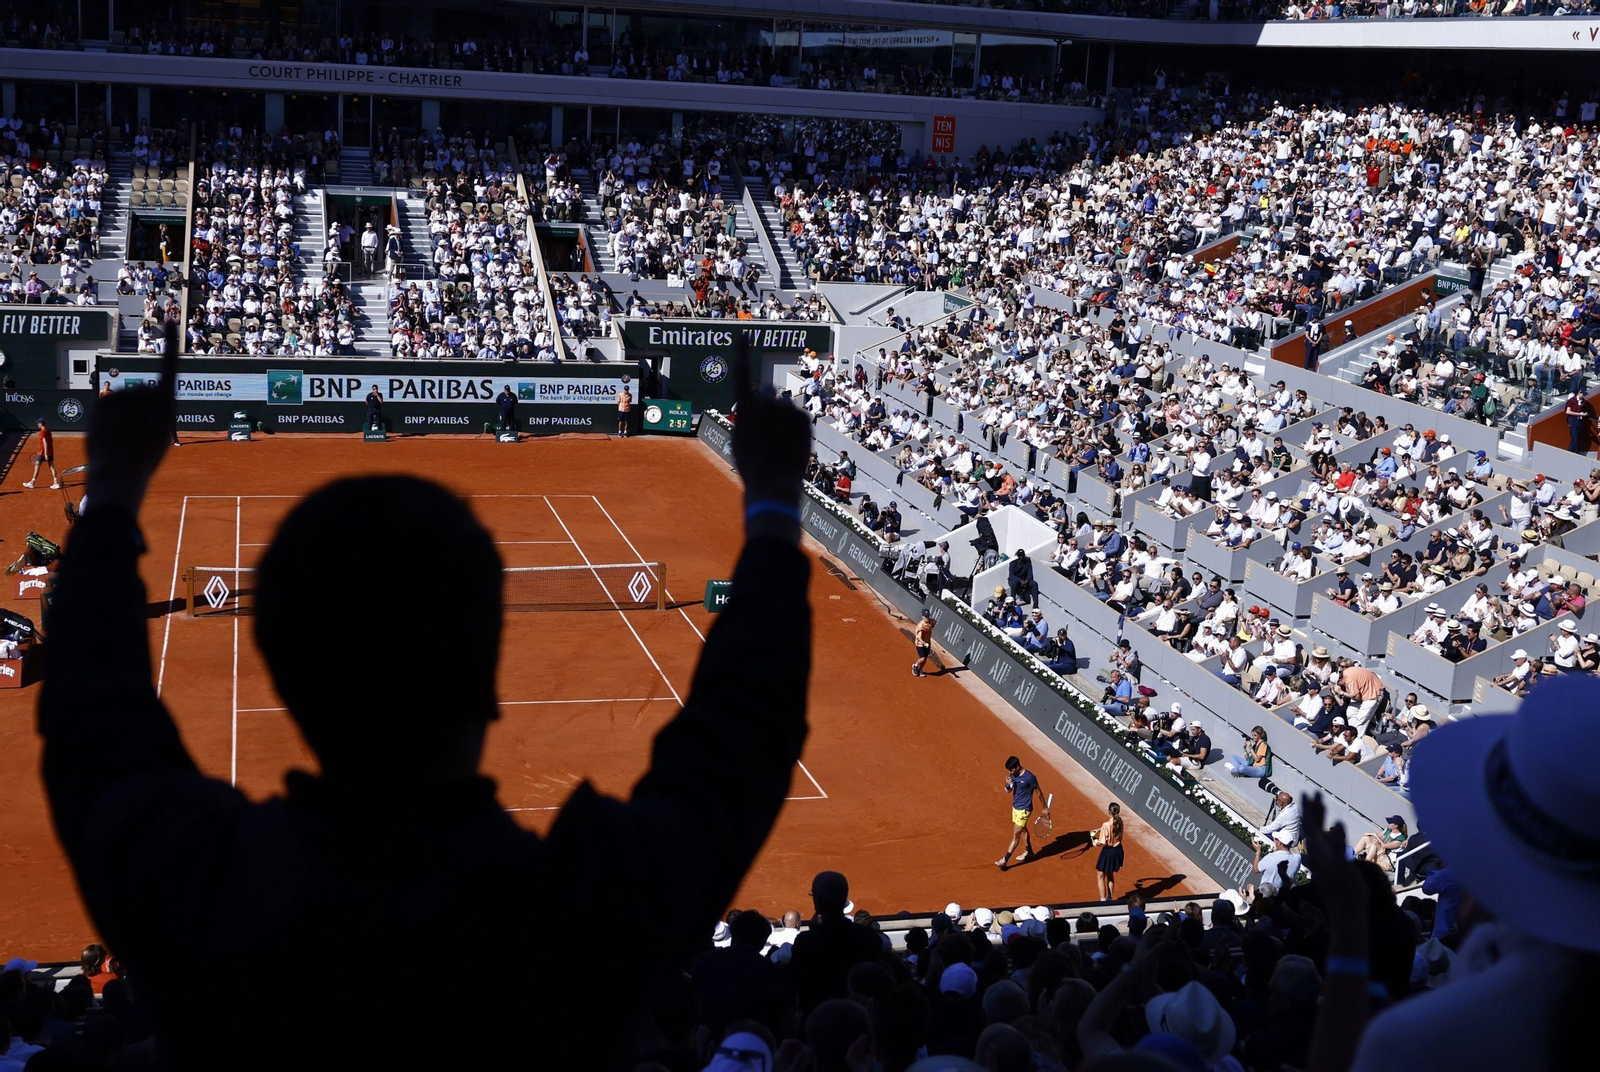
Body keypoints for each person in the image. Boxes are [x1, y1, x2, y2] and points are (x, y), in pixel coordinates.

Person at [38, 325, 816, 1066]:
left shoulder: (195, 902)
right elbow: (738, 746)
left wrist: (112, 493)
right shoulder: (585, 922)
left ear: (281, 670)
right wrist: (775, 501)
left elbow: (94, 724)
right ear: (487, 676)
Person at [787, 871, 883, 1015]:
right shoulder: (869, 938)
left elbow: (796, 985)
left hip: (818, 1019)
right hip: (859, 1018)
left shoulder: (805, 943)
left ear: (817, 903)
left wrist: (814, 933)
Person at [996, 755, 1049, 870]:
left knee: (1016, 834)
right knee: (1023, 829)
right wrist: (1007, 784)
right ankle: (1030, 852)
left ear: (1017, 766)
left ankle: (1004, 860)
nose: (1010, 772)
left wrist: (1045, 808)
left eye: (1011, 770)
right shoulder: (1013, 775)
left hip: (1024, 810)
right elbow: (1008, 790)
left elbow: (1038, 792)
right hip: (1015, 808)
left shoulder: (1030, 777)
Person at [1092, 802, 1124, 901]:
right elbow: (1112, 830)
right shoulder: (1120, 822)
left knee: (1100, 875)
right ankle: (1110, 899)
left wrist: (1093, 840)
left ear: (1109, 812)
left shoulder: (1105, 825)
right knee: (1110, 874)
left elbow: (1102, 843)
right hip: (1117, 851)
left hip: (1108, 852)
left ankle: (1103, 901)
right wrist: (1100, 829)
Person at [21, 419, 60, 489]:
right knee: (51, 466)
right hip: (50, 451)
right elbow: (50, 441)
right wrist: (47, 452)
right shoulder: (48, 430)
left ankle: (32, 483)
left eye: (38, 423)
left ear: (41, 423)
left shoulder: (42, 432)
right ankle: (56, 483)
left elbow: (45, 443)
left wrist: (45, 454)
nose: (37, 424)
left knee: (37, 466)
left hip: (43, 453)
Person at [911, 608, 935, 677]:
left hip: (928, 642)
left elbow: (934, 623)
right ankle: (915, 666)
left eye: (928, 616)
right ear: (922, 616)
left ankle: (920, 669)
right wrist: (924, 643)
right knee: (922, 658)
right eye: (926, 616)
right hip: (920, 644)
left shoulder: (931, 621)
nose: (927, 618)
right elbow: (919, 638)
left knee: (925, 659)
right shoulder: (920, 626)